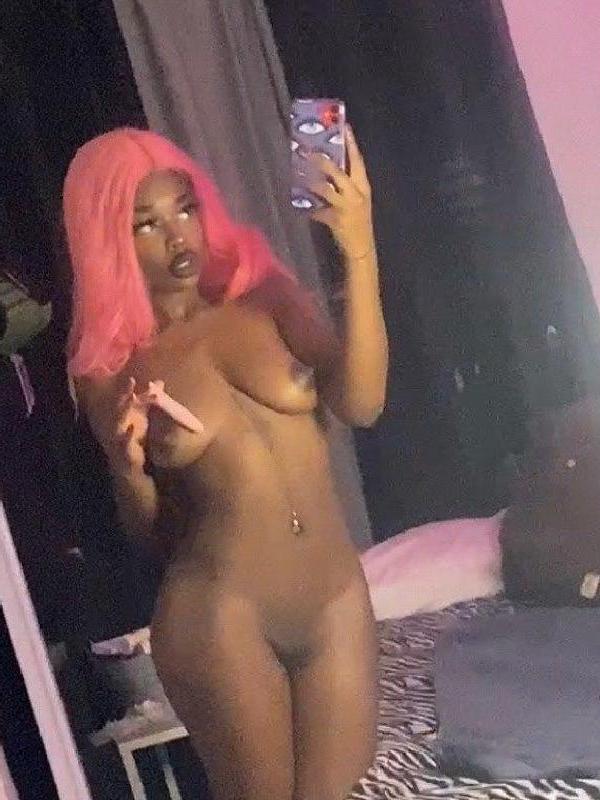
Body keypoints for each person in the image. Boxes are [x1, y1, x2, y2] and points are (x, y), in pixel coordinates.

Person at [63, 126, 388, 800]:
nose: (177, 236)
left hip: (333, 598)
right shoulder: (112, 371)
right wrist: (127, 468)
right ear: (107, 240)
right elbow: (153, 535)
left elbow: (362, 403)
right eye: (146, 224)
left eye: (185, 209)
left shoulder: (268, 300)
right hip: (221, 617)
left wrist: (358, 248)